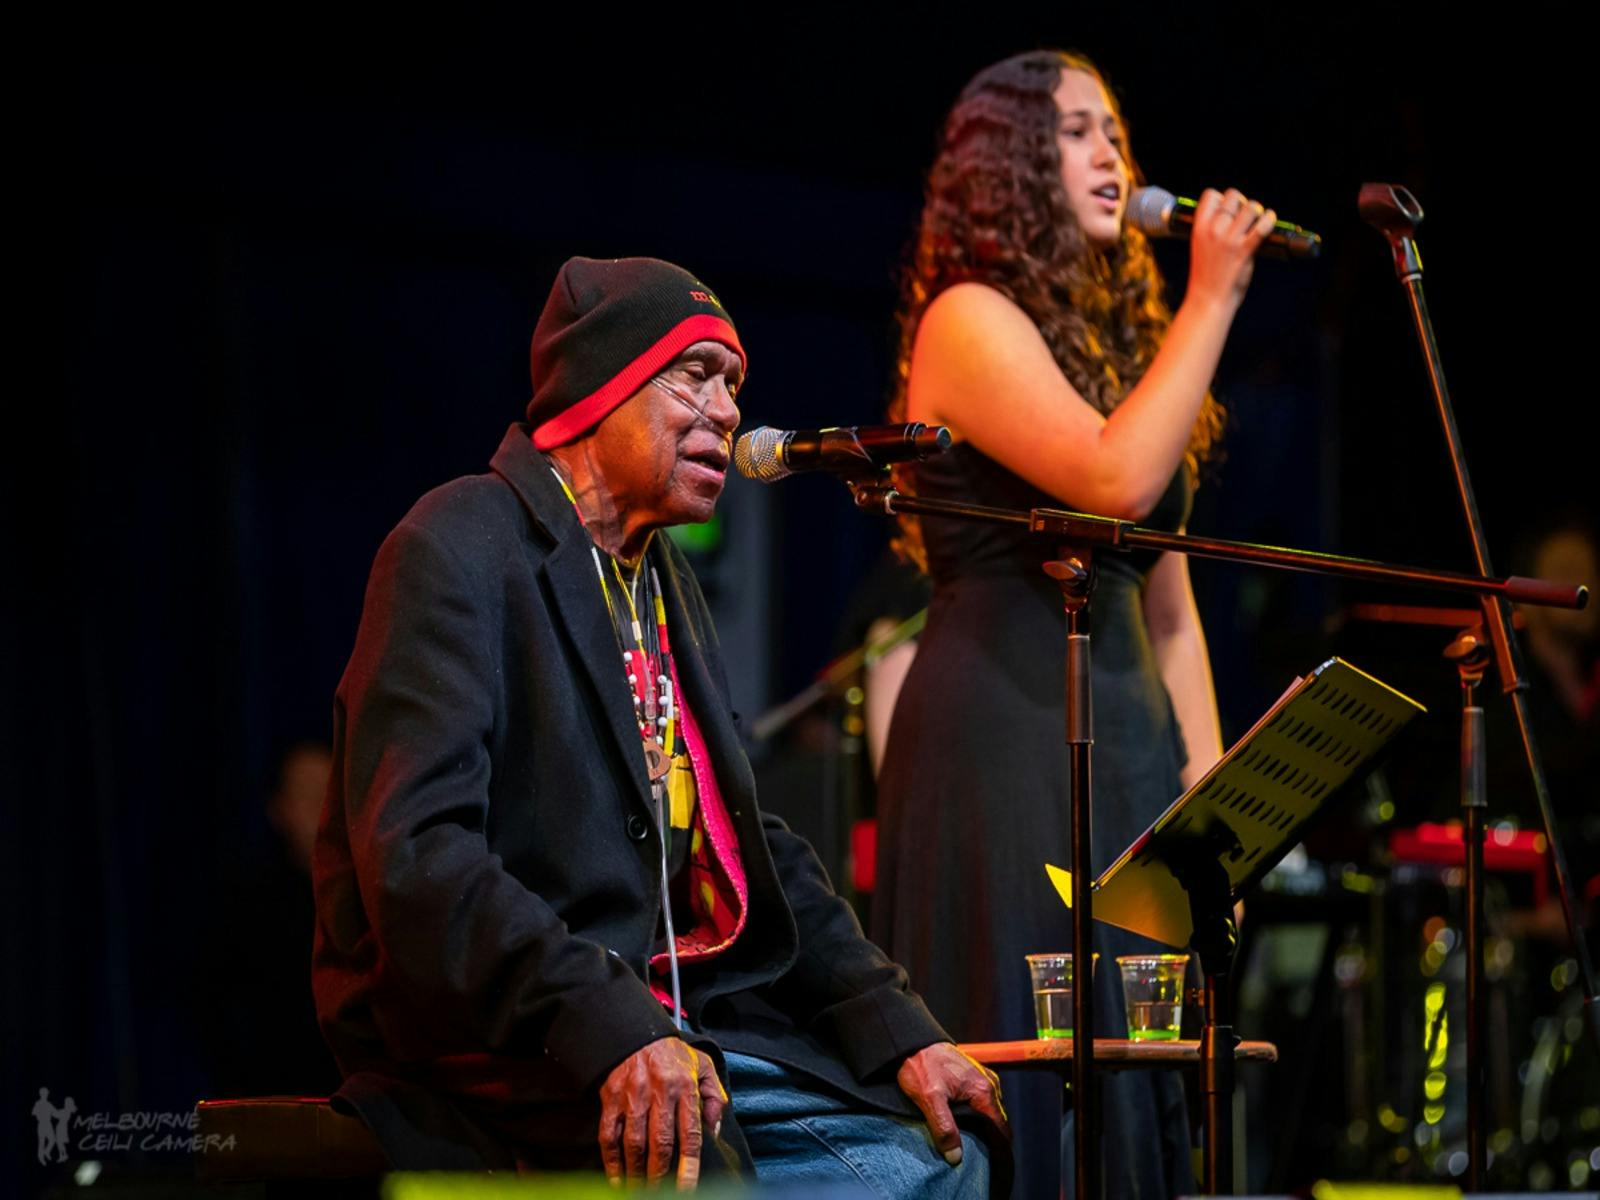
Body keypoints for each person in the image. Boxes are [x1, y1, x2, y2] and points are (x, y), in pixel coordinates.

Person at [311, 256, 1009, 1194]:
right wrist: (608, 1024)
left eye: (735, 386)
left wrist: (897, 1029)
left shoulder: (659, 581)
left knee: (950, 1156)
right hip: (518, 1047)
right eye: (697, 375)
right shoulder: (460, 543)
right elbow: (420, 859)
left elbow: (752, 841)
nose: (728, 412)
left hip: (686, 1038)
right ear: (600, 385)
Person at [871, 51, 1275, 1198]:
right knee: (1037, 1045)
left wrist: (1212, 806)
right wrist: (1211, 298)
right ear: (1009, 165)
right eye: (1077, 133)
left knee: (1141, 1049)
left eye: (1116, 132)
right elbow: (1112, 483)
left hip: (1130, 732)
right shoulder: (963, 320)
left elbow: (1170, 601)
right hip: (1006, 734)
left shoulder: (1114, 347)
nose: (1112, 155)